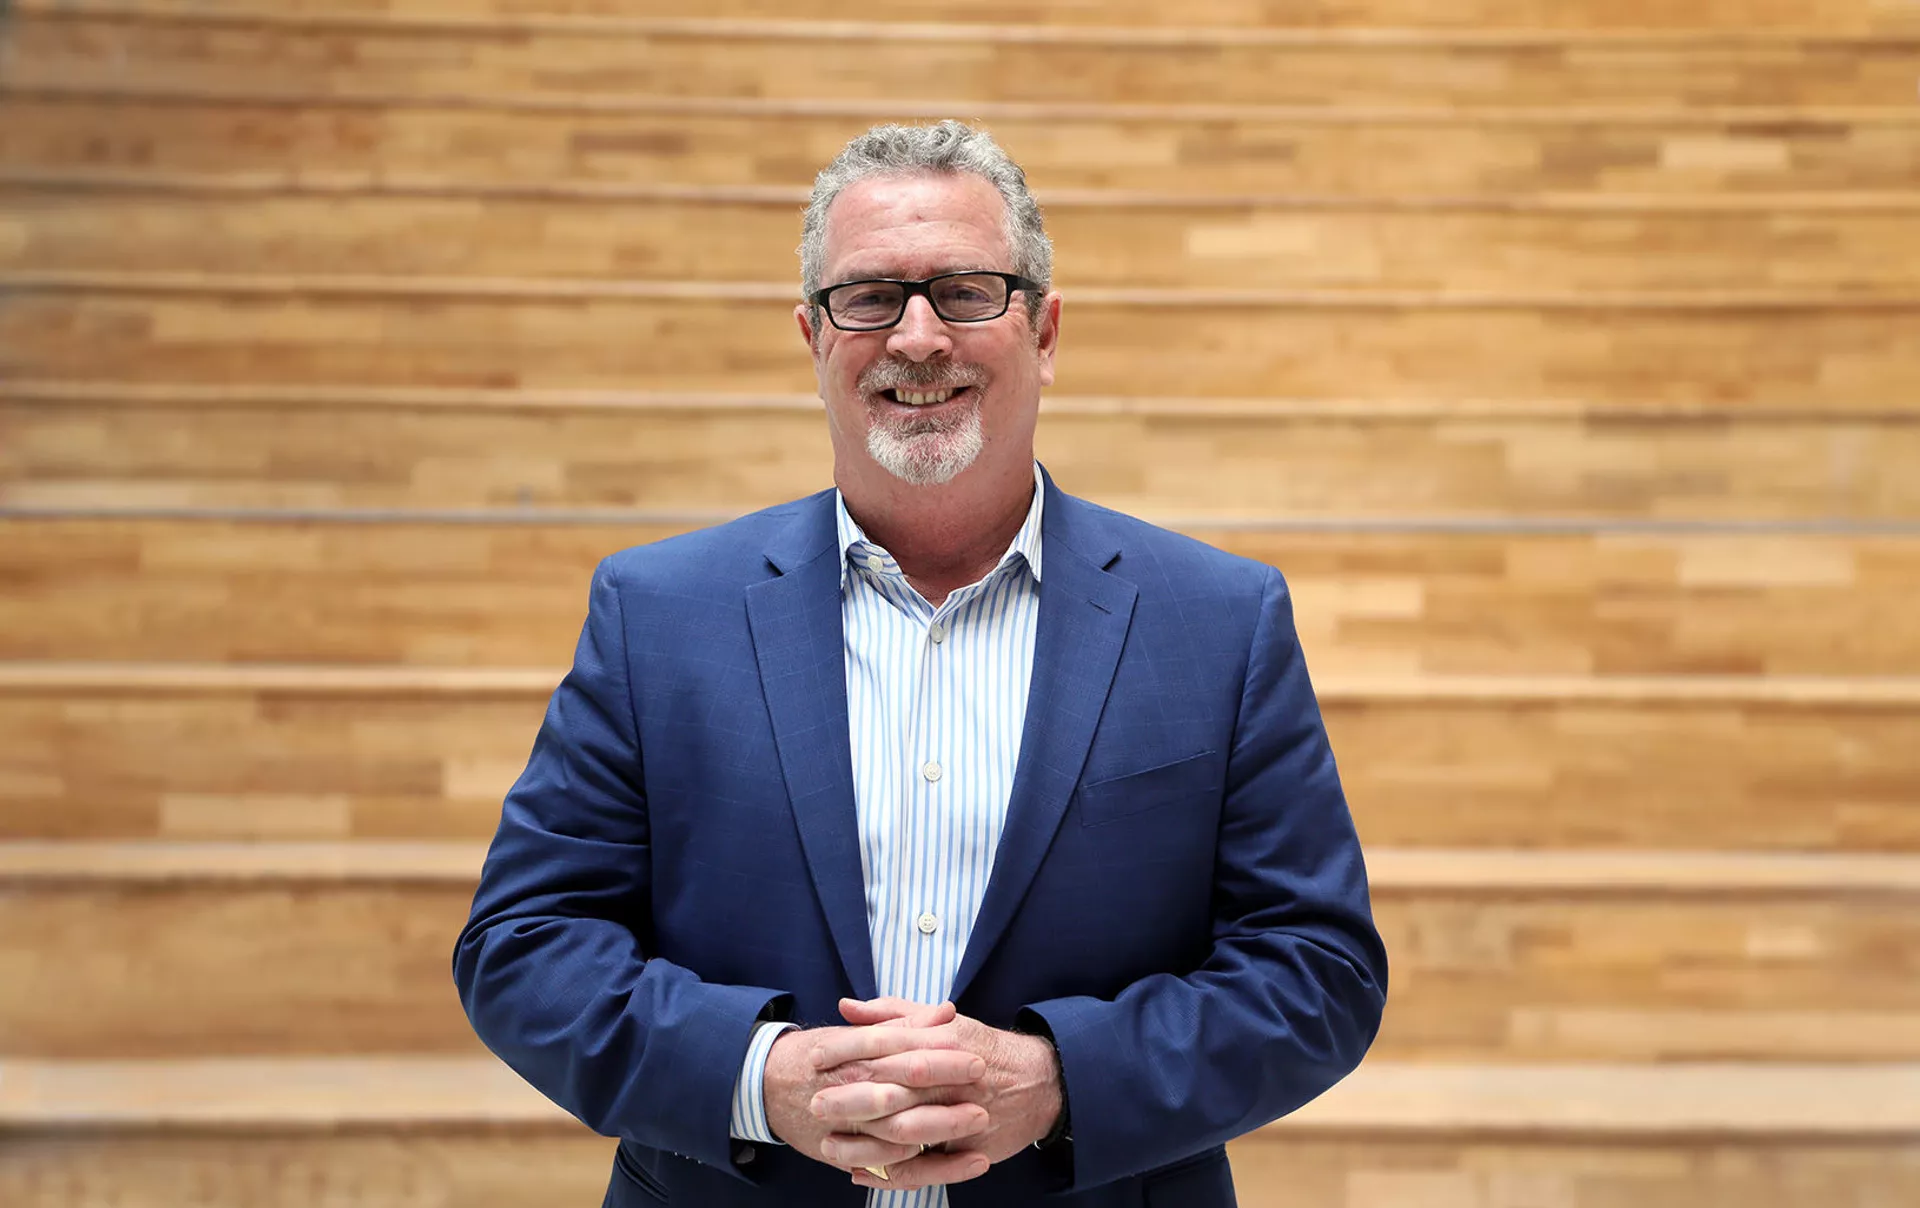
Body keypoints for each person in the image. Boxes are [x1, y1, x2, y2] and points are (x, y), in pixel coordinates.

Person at [453, 120, 1387, 1208]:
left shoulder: (1219, 621)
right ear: (813, 337)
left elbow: (1317, 969)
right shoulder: (654, 613)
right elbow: (526, 945)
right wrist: (758, 1078)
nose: (919, 336)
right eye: (869, 297)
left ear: (1044, 332)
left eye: (965, 291)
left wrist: (1062, 1081)